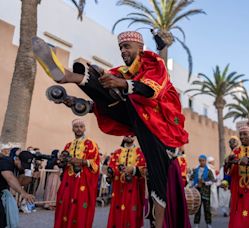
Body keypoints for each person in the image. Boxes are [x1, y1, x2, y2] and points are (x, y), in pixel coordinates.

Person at [32, 31, 190, 228]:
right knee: (108, 86)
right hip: (137, 120)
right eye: (121, 47)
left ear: (140, 48)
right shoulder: (123, 71)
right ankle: (67, 76)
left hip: (161, 128)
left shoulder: (152, 61)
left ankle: (160, 225)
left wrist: (121, 83)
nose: (123, 50)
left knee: (159, 186)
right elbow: (111, 90)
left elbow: (152, 90)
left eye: (127, 47)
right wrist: (97, 81)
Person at [54, 119, 100, 228]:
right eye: (76, 126)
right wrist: (61, 162)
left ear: (84, 128)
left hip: (83, 181)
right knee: (64, 205)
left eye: (81, 126)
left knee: (80, 207)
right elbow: (64, 163)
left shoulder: (91, 143)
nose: (78, 128)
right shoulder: (68, 145)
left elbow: (95, 164)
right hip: (68, 181)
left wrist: (79, 161)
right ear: (72, 129)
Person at [107, 136, 146, 228]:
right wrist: (112, 171)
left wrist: (132, 170)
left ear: (135, 136)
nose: (129, 136)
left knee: (131, 211)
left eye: (131, 134)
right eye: (126, 134)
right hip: (118, 189)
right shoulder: (117, 152)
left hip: (134, 188)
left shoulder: (140, 152)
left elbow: (144, 169)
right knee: (118, 211)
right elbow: (111, 166)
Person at [0, 145, 35, 228]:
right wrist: (24, 193)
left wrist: (32, 175)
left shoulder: (18, 167)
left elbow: (21, 183)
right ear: (17, 159)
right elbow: (10, 178)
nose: (23, 167)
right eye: (23, 164)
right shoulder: (6, 161)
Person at [191, 155, 215, 228]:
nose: (202, 162)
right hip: (197, 193)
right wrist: (195, 184)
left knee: (207, 209)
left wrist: (204, 182)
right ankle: (196, 224)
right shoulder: (195, 170)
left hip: (206, 193)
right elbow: (191, 180)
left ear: (205, 161)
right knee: (197, 209)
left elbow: (212, 180)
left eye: (203, 160)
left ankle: (209, 224)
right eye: (200, 160)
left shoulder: (209, 171)